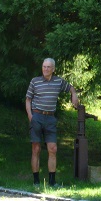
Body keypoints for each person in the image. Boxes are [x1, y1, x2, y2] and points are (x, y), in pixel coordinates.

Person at [25, 57, 79, 188]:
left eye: (48, 67)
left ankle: (52, 182)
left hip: (50, 119)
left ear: (53, 69)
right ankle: (36, 181)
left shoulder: (58, 82)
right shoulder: (35, 81)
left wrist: (74, 95)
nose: (45, 69)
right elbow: (28, 100)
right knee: (36, 149)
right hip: (37, 116)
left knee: (53, 149)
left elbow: (71, 88)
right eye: (44, 66)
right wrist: (31, 116)